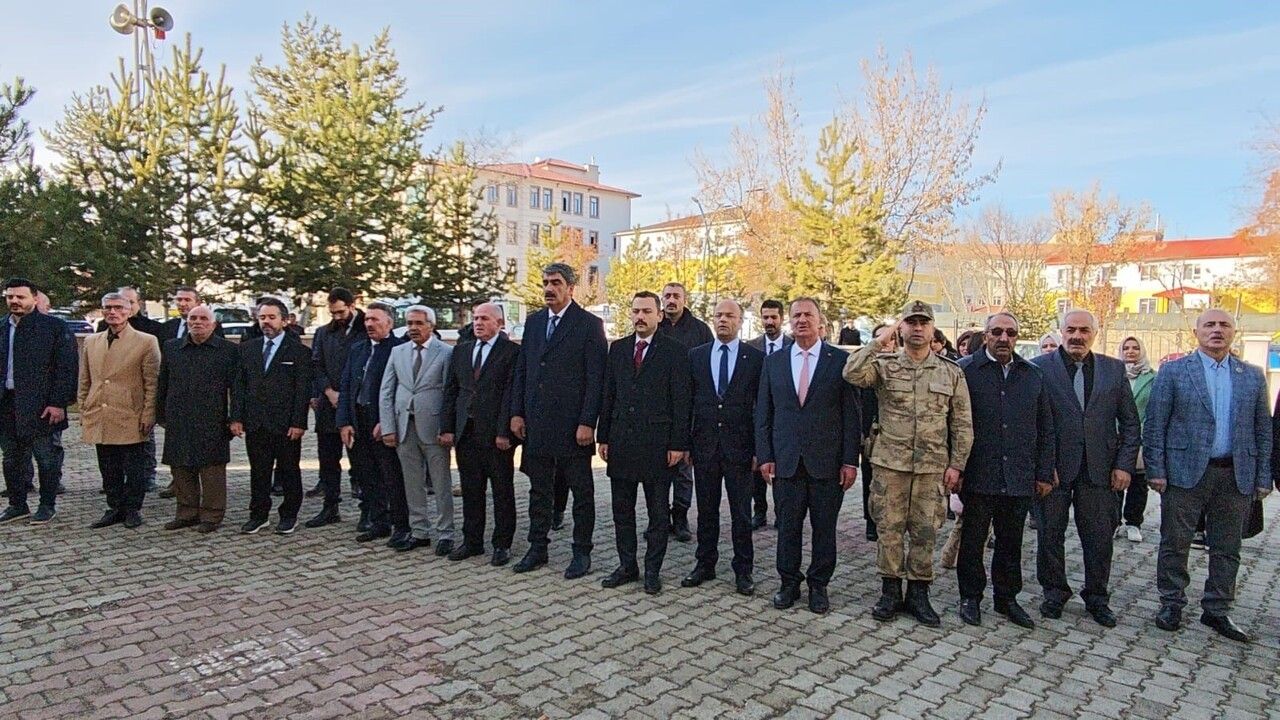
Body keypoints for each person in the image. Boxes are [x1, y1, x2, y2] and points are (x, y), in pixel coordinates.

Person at [1145, 309, 1273, 642]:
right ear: (1196, 331)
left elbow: (1263, 428)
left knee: (1227, 547)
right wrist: (1155, 469)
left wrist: (1263, 475)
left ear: (1234, 331)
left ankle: (1217, 610)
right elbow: (1156, 423)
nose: (1217, 331)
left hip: (1235, 474)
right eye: (1210, 325)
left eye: (1224, 325)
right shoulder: (1173, 372)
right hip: (1184, 473)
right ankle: (1171, 603)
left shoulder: (1252, 376)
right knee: (1175, 542)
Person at [844, 300, 972, 626]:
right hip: (891, 466)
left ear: (932, 329)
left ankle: (919, 593)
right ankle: (890, 591)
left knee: (926, 531)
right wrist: (878, 341)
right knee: (889, 530)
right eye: (910, 322)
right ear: (901, 328)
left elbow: (962, 424)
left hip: (932, 468)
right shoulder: (885, 366)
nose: (917, 328)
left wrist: (957, 465)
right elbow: (851, 372)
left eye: (923, 323)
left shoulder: (951, 371)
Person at [1029, 310, 1140, 627]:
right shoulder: (1039, 368)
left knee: (1100, 538)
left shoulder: (1113, 369)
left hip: (1101, 470)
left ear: (1095, 332)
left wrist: (1124, 465)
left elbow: (1131, 424)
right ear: (1061, 331)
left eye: (1084, 330)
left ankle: (1097, 597)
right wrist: (1042, 466)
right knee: (1050, 535)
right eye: (1071, 329)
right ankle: (1054, 593)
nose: (1077, 336)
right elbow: (1032, 423)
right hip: (1055, 471)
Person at [757, 298, 860, 614]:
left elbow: (851, 416)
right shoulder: (774, 361)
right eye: (796, 315)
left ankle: (819, 586)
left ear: (820, 323)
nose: (802, 320)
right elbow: (764, 412)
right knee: (787, 527)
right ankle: (788, 583)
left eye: (808, 315)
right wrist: (765, 456)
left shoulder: (838, 361)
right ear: (790, 322)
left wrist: (849, 460)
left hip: (827, 463)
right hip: (786, 461)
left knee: (824, 528)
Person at [954, 312, 1055, 629]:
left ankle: (1006, 598)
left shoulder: (1033, 374)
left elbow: (1045, 427)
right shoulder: (965, 371)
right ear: (985, 335)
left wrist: (1043, 471)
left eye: (1010, 333)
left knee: (1011, 542)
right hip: (978, 472)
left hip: (1018, 475)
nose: (1003, 338)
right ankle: (970, 597)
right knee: (973, 541)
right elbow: (952, 423)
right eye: (996, 332)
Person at [509, 262, 608, 578]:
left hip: (572, 427)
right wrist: (517, 412)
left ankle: (582, 553)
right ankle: (537, 548)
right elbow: (523, 369)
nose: (549, 289)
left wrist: (587, 422)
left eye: (555, 283)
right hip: (537, 424)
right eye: (545, 283)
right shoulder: (535, 322)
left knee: (581, 493)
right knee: (539, 492)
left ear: (570, 288)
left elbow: (596, 378)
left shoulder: (588, 324)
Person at [597, 292, 692, 594]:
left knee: (657, 514)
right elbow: (608, 394)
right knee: (622, 511)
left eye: (646, 311)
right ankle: (627, 565)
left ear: (659, 315)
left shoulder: (675, 351)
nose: (640, 316)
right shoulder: (619, 348)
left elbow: (681, 401)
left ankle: (653, 570)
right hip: (622, 442)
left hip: (658, 444)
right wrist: (604, 436)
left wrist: (678, 443)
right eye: (635, 311)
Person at [682, 300, 764, 596]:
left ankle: (743, 570)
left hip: (740, 448)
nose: (723, 320)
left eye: (730, 316)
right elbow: (687, 403)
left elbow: (761, 408)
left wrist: (760, 449)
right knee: (706, 509)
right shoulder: (697, 356)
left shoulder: (754, 359)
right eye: (718, 315)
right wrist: (686, 443)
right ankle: (705, 563)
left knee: (742, 513)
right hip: (704, 446)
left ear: (741, 321)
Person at [440, 302, 519, 566]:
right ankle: (472, 541)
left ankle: (502, 544)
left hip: (496, 435)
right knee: (472, 490)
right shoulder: (461, 352)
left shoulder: (510, 352)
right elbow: (451, 391)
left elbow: (510, 394)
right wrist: (447, 427)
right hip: (466, 433)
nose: (478, 323)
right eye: (475, 318)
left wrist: (505, 431)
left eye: (484, 318)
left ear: (499, 323)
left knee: (502, 491)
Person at [230, 297, 312, 536]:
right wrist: (236, 418)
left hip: (286, 424)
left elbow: (302, 390)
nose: (266, 322)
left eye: (272, 317)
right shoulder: (247, 349)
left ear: (284, 321)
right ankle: (258, 515)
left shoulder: (299, 352)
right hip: (255, 422)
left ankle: (288, 515)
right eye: (262, 317)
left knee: (289, 470)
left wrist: (299, 422)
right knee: (259, 471)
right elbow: (239, 386)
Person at [81, 292, 161, 529]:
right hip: (100, 412)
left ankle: (133, 508)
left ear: (129, 310)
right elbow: (85, 379)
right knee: (108, 466)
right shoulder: (91, 341)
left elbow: (152, 382)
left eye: (118, 307)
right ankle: (114, 506)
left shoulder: (146, 341)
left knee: (135, 467)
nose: (112, 312)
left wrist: (149, 413)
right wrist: (85, 406)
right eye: (108, 308)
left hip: (130, 412)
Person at [0, 279, 77, 524]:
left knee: (46, 457)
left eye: (20, 297)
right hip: (7, 404)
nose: (14, 301)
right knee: (12, 458)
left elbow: (66, 369)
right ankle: (17, 504)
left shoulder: (54, 327)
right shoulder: (2, 327)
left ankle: (47, 505)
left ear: (34, 298)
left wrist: (58, 403)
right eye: (10, 297)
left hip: (41, 406)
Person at [156, 305, 238, 533]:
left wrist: (235, 418)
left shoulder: (228, 351)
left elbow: (237, 389)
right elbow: (163, 382)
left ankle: (212, 515)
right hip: (179, 417)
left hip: (213, 418)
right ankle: (187, 512)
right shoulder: (172, 348)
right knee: (181, 468)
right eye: (193, 318)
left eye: (203, 318)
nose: (197, 322)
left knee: (211, 469)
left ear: (213, 324)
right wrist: (159, 413)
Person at [381, 305, 455, 556]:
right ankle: (419, 531)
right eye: (410, 323)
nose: (413, 328)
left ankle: (446, 532)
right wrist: (388, 427)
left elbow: (449, 393)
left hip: (433, 426)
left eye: (419, 323)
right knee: (412, 482)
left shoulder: (445, 353)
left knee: (441, 481)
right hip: (404, 426)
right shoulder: (397, 352)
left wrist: (447, 427)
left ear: (431, 326)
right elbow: (386, 391)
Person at [337, 303, 408, 546]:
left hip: (384, 422)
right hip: (359, 419)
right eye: (367, 320)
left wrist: (387, 422)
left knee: (391, 476)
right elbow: (346, 386)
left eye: (375, 320)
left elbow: (400, 390)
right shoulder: (357, 349)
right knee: (366, 473)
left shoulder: (399, 350)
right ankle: (376, 521)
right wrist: (344, 421)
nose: (369, 324)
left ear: (389, 323)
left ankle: (399, 524)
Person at [304, 288, 367, 527]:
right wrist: (329, 392)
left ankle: (367, 510)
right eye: (333, 313)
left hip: (356, 406)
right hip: (329, 406)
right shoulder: (323, 333)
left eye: (341, 312)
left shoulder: (365, 329)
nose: (337, 317)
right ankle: (330, 507)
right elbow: (316, 365)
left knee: (360, 462)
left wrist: (348, 396)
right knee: (328, 460)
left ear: (352, 306)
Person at [656, 281, 713, 542]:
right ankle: (658, 519)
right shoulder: (655, 326)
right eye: (667, 296)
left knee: (682, 468)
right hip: (657, 409)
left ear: (684, 299)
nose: (671, 300)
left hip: (688, 407)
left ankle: (680, 517)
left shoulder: (700, 330)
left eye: (676, 296)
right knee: (656, 469)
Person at [745, 298, 790, 529]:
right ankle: (759, 511)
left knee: (783, 469)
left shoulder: (793, 345)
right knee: (758, 466)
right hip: (758, 416)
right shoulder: (751, 347)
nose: (769, 321)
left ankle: (783, 514)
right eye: (765, 317)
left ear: (782, 318)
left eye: (774, 317)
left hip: (784, 418)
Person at [1115, 336, 1157, 543]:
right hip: (1115, 436)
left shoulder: (1152, 377)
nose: (1130, 351)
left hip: (1140, 437)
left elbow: (1155, 408)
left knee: (1138, 484)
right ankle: (1113, 522)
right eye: (1126, 347)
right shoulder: (1112, 373)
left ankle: (1133, 522)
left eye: (1135, 347)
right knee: (1114, 482)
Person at [857, 323, 894, 542]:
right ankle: (871, 522)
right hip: (872, 434)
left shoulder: (901, 366)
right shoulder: (866, 368)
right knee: (871, 480)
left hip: (896, 435)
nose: (885, 343)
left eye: (889, 339)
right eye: (880, 339)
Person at [160, 287, 225, 342]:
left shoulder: (211, 326)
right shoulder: (167, 326)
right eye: (179, 300)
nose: (182, 304)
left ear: (198, 303)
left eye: (187, 300)